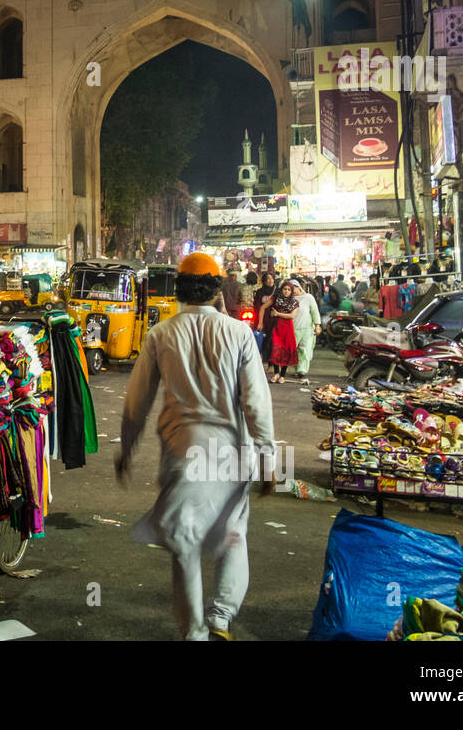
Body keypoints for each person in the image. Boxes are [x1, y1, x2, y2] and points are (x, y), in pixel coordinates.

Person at [115, 251, 276, 641]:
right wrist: (268, 459)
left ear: (178, 290)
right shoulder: (238, 334)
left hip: (181, 452)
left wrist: (127, 449)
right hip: (229, 453)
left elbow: (137, 402)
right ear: (217, 290)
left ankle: (194, 633)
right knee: (232, 534)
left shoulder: (160, 335)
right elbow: (255, 402)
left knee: (184, 543)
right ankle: (221, 618)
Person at [265, 281, 299, 383]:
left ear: (292, 291)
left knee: (285, 351)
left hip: (288, 330)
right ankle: (276, 373)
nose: (286, 291)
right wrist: (272, 314)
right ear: (281, 289)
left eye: (289, 289)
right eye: (285, 289)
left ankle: (282, 376)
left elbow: (292, 316)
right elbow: (268, 310)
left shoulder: (294, 302)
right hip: (277, 328)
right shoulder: (276, 300)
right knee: (276, 350)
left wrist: (277, 314)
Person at [291, 279, 322, 384]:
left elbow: (314, 311)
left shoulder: (308, 297)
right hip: (293, 329)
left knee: (304, 350)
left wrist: (317, 326)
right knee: (294, 350)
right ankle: (297, 369)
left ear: (298, 287)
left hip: (307, 329)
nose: (292, 290)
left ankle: (302, 370)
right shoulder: (289, 299)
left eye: (293, 287)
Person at [253, 272, 278, 365]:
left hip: (274, 319)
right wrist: (260, 321)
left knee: (272, 339)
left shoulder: (277, 291)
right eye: (268, 279)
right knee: (262, 339)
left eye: (271, 278)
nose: (270, 280)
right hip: (262, 318)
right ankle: (263, 358)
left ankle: (271, 362)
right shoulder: (259, 292)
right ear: (264, 281)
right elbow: (257, 306)